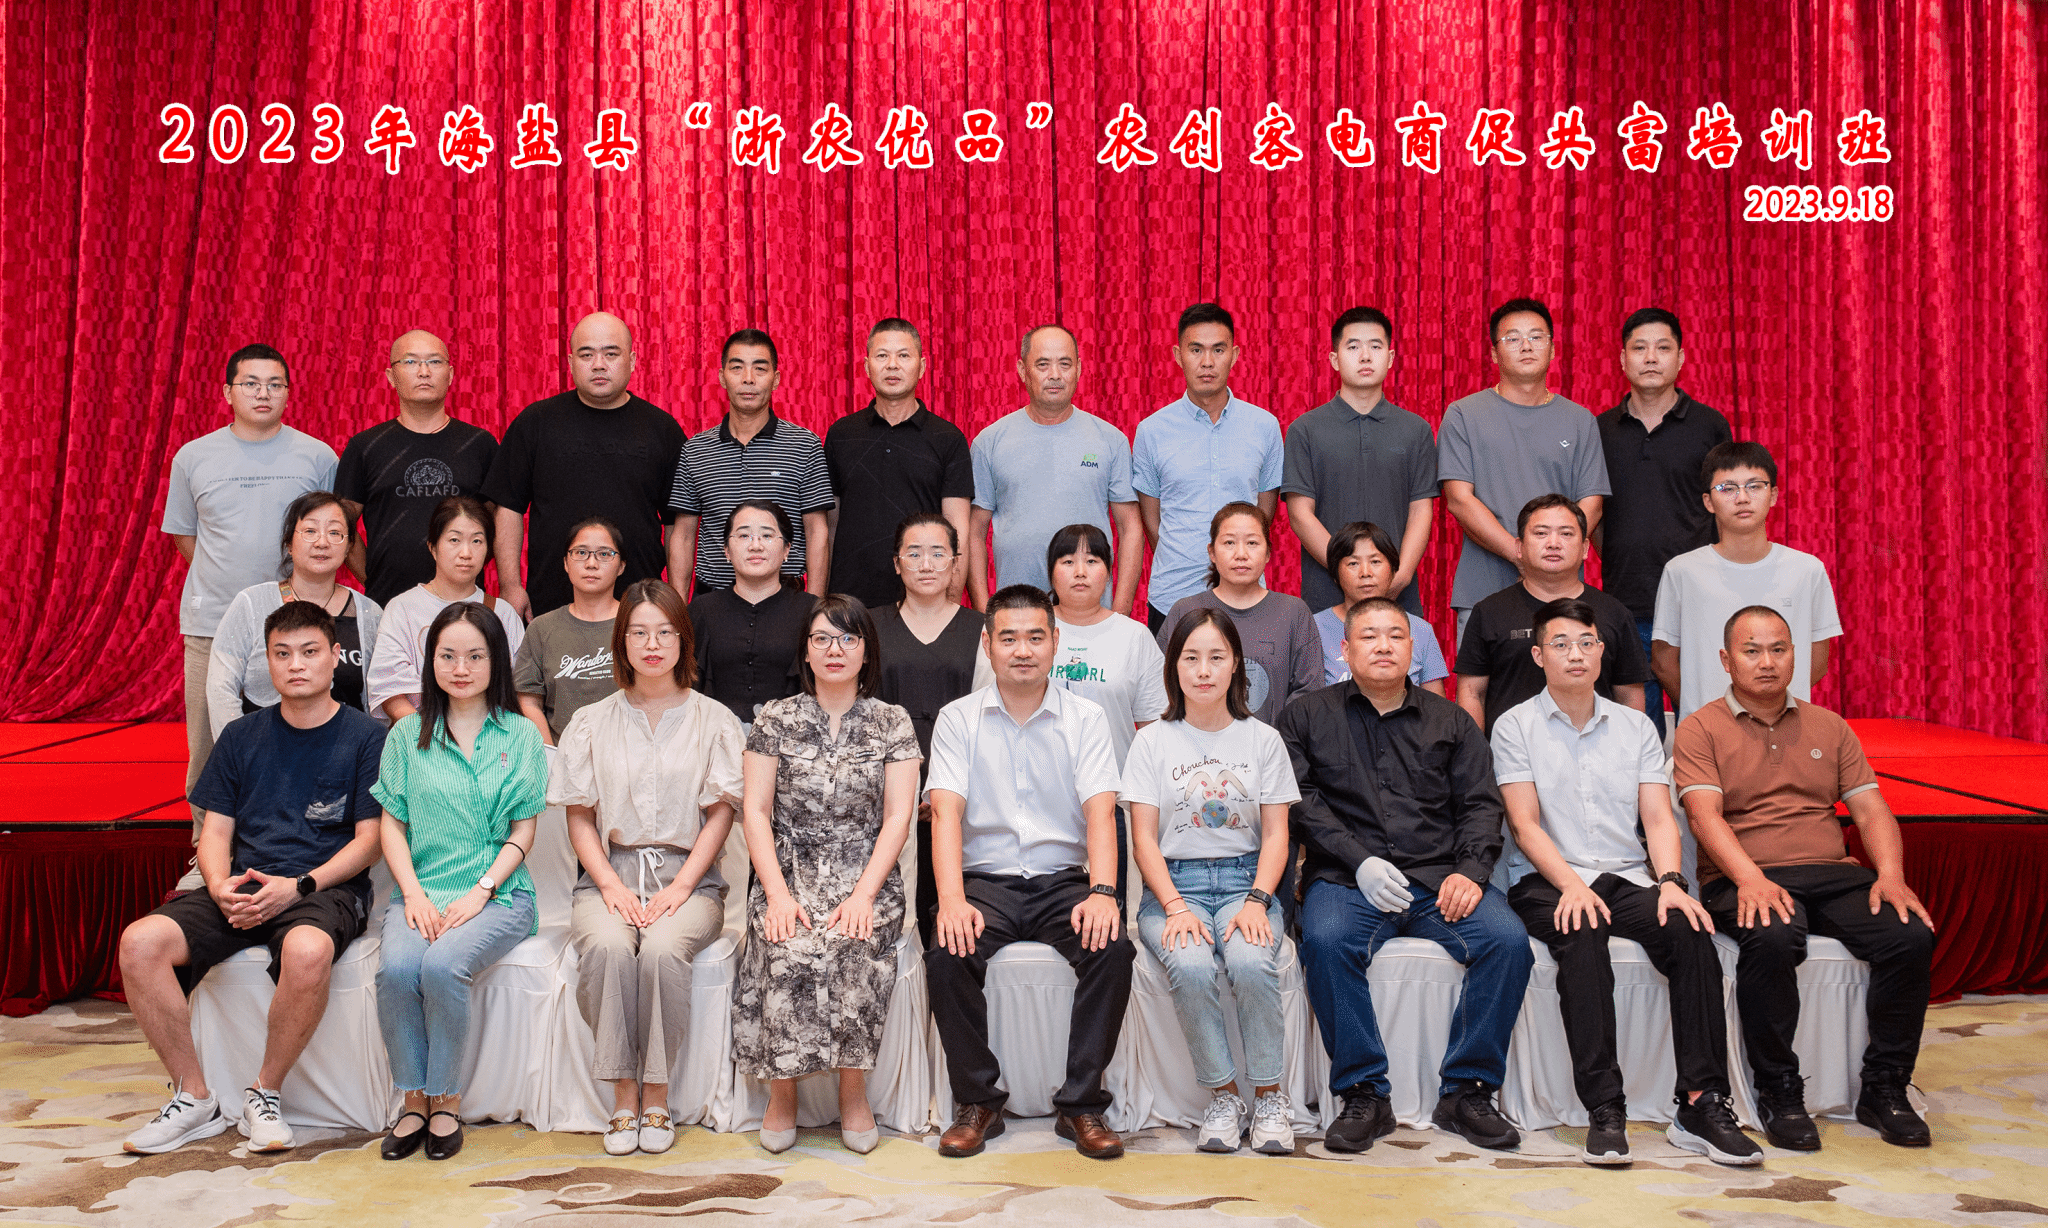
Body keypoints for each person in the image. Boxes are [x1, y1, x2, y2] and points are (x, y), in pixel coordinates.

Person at [1494, 598, 1761, 1168]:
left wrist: (1671, 882)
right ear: (1539, 656)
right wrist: (1571, 885)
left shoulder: (1636, 726)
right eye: (1561, 644)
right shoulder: (1514, 726)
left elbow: (1659, 819)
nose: (1575, 654)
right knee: (1582, 930)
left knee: (1689, 930)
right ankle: (1604, 1107)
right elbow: (1524, 824)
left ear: (1602, 651)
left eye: (1586, 643)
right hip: (1546, 878)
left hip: (1625, 874)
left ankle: (1701, 1103)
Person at [116, 601, 384, 1155]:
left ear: (336, 656)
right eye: (282, 654)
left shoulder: (366, 737)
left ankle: (264, 1092)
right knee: (139, 943)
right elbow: (216, 832)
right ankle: (194, 1097)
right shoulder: (241, 735)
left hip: (322, 888)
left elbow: (370, 842)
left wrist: (299, 886)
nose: (296, 665)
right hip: (243, 886)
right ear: (267, 661)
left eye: (309, 652)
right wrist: (218, 885)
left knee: (307, 951)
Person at [1276, 597, 1531, 1154]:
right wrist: (1357, 859)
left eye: (1396, 635)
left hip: (1439, 879)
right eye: (1369, 636)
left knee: (1508, 942)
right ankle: (1364, 1093)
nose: (1383, 646)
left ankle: (1467, 1091)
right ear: (1344, 650)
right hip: (1348, 879)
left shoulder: (1452, 720)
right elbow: (1299, 802)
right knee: (1326, 940)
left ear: (1414, 649)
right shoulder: (1306, 716)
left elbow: (1480, 806)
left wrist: (1471, 872)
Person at [1677, 606, 1936, 1152]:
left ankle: (1885, 1086)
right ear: (1726, 660)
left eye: (1778, 649)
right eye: (1752, 651)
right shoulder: (1701, 727)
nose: (1767, 662)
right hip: (1745, 875)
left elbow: (1870, 808)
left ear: (1795, 655)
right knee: (1773, 934)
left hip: (1830, 873)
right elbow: (1703, 815)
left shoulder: (1829, 726)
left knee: (1908, 934)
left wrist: (1891, 875)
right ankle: (1779, 1090)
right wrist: (1749, 877)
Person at [924, 586, 1134, 1160]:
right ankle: (978, 1102)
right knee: (945, 952)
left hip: (1062, 881)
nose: (1023, 650)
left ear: (1055, 643)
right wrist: (951, 899)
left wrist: (1103, 892)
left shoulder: (1086, 719)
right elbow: (945, 813)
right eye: (1010, 638)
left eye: (1036, 637)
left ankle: (1082, 1105)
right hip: (984, 883)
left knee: (1113, 948)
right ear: (987, 644)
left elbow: (1101, 812)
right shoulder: (958, 719)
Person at [550, 580, 744, 1157]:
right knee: (608, 946)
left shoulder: (714, 720)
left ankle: (656, 1096)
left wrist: (682, 886)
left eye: (664, 632)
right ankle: (623, 1097)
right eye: (639, 633)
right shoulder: (591, 721)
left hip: (691, 880)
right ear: (622, 641)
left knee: (661, 949)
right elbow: (580, 815)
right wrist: (609, 883)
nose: (652, 644)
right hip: (608, 875)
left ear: (684, 640)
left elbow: (721, 813)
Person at [735, 596, 922, 1154]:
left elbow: (898, 816)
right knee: (787, 945)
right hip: (788, 872)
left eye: (848, 638)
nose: (834, 650)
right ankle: (783, 1093)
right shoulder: (774, 718)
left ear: (867, 651)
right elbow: (755, 812)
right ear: (806, 651)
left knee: (851, 944)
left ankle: (853, 1092)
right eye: (821, 638)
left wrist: (863, 895)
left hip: (867, 875)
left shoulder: (892, 721)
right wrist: (776, 895)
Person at [372, 603, 544, 1162]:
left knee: (443, 965)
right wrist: (414, 894)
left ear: (497, 662)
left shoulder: (520, 734)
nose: (461, 668)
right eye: (447, 656)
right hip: (422, 889)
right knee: (398, 969)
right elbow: (392, 824)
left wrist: (481, 891)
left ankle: (445, 1099)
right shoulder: (406, 735)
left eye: (475, 656)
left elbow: (524, 831)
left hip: (501, 893)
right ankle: (413, 1100)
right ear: (431, 662)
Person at [1127, 609, 1299, 1155]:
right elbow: (1143, 840)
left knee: (1250, 960)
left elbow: (1276, 836)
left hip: (1246, 880)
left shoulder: (1263, 739)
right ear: (1173, 668)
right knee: (1192, 964)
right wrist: (1175, 907)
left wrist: (1258, 900)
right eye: (1191, 658)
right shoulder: (1152, 742)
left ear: (1236, 666)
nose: (1203, 670)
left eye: (1216, 657)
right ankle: (1224, 1097)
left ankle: (1270, 1097)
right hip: (1174, 887)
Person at [164, 343, 339, 838]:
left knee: (297, 737)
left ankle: (294, 840)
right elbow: (185, 536)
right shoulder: (192, 457)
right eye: (251, 384)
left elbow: (327, 531)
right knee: (209, 745)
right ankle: (206, 846)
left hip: (295, 624)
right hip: (211, 622)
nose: (263, 394)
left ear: (288, 392)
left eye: (275, 384)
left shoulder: (318, 456)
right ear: (227, 392)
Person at [483, 312, 685, 619]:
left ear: (632, 361)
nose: (599, 364)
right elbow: (508, 508)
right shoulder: (535, 423)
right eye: (586, 354)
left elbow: (677, 523)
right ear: (570, 362)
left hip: (639, 607)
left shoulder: (662, 430)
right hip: (551, 604)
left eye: (611, 354)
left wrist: (676, 595)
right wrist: (511, 585)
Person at [1439, 298, 1609, 645]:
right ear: (1493, 353)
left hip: (1562, 592)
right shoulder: (1463, 415)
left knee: (1567, 678)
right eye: (1513, 338)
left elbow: (1591, 503)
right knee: (1481, 681)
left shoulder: (1581, 420)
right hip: (1483, 589)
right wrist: (1522, 554)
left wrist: (1548, 556)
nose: (1526, 346)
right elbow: (1459, 500)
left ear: (1553, 349)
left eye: (1536, 337)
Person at [1594, 308, 1732, 737]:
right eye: (1639, 348)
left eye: (1663, 348)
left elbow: (1728, 508)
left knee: (1706, 720)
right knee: (1639, 731)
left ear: (1681, 357)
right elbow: (1591, 514)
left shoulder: (1709, 426)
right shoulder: (1600, 430)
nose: (1651, 357)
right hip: (1627, 599)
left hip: (1698, 600)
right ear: (1623, 359)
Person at [867, 512, 994, 943]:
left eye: (938, 554)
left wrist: (943, 792)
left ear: (956, 563)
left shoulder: (982, 630)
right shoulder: (869, 626)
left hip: (962, 791)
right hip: (882, 789)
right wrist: (900, 793)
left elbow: (989, 719)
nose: (926, 565)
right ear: (896, 563)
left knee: (949, 921)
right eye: (914, 554)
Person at [1652, 441, 1842, 726]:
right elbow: (1664, 662)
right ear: (1708, 501)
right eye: (1727, 488)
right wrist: (1705, 714)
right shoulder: (1681, 572)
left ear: (1773, 495)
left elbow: (1816, 663)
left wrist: (1766, 707)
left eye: (1754, 486)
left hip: (1785, 731)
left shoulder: (1807, 570)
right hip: (1708, 732)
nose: (1742, 498)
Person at [1132, 304, 1285, 631]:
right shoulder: (1151, 431)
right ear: (1178, 355)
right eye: (1196, 350)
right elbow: (1151, 521)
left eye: (1218, 349)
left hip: (1244, 597)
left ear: (1235, 354)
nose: (1207, 362)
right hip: (1172, 596)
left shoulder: (1264, 426)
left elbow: (1264, 514)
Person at [969, 325, 1142, 612]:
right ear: (1022, 370)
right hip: (1015, 611)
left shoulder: (1110, 440)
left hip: (1091, 613)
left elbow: (1130, 528)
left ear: (1079, 369)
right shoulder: (989, 442)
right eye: (1042, 364)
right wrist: (983, 611)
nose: (1055, 375)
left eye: (1065, 364)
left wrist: (1120, 613)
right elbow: (974, 532)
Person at [1282, 307, 1437, 618]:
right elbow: (1300, 515)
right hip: (1327, 595)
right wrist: (1347, 571)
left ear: (1390, 358)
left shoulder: (1416, 430)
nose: (1365, 356)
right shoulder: (1305, 429)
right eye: (1353, 347)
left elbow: (1421, 510)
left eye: (1375, 346)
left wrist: (1401, 574)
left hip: (1397, 593)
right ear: (1334, 359)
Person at [1455, 495, 1649, 735]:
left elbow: (1629, 696)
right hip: (1510, 753)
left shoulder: (1615, 613)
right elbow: (1472, 693)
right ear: (1519, 547)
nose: (1553, 543)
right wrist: (1475, 754)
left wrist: (1631, 748)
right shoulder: (1489, 612)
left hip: (1597, 752)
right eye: (1541, 533)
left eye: (1566, 534)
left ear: (1585, 548)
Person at [1048, 522, 1168, 908]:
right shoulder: (1030, 630)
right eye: (1068, 561)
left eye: (1092, 561)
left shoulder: (1134, 637)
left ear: (1109, 572)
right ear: (1051, 572)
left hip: (1111, 799)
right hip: (1039, 796)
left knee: (1107, 915)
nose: (1080, 572)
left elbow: (1154, 730)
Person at [335, 330, 499, 607]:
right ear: (391, 376)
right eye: (410, 362)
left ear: (450, 374)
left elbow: (499, 524)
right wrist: (374, 579)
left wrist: (463, 572)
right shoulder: (365, 446)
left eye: (435, 362)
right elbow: (341, 525)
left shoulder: (480, 445)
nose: (424, 371)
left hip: (464, 605)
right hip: (387, 603)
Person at [668, 329, 836, 596]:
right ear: (722, 377)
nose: (748, 378)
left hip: (786, 601)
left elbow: (817, 531)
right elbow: (683, 535)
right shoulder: (695, 450)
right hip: (713, 600)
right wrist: (677, 609)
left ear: (775, 379)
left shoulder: (805, 446)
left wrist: (815, 607)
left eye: (760, 368)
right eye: (737, 368)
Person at [823, 319, 974, 607]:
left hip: (923, 603)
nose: (892, 365)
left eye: (904, 355)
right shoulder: (841, 434)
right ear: (867, 366)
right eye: (882, 356)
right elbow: (829, 528)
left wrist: (949, 607)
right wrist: (824, 602)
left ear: (922, 366)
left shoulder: (948, 439)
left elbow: (958, 536)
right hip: (850, 604)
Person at [208, 492, 384, 735]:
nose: (322, 542)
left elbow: (380, 700)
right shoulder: (251, 603)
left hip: (348, 749)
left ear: (348, 547)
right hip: (265, 746)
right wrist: (240, 747)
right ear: (289, 544)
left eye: (335, 533)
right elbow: (220, 687)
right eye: (310, 531)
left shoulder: (369, 612)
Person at [1154, 503, 1321, 727]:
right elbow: (1160, 686)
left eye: (1252, 543)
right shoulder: (1185, 611)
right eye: (1229, 543)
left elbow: (1309, 692)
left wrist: (1273, 740)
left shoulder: (1293, 612)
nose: (1241, 554)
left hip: (1273, 744)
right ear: (1212, 552)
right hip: (1196, 743)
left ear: (1268, 552)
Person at [366, 497, 526, 722]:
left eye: (477, 541)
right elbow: (390, 690)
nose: (466, 553)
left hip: (489, 734)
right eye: (454, 540)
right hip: (419, 734)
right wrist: (427, 735)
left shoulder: (503, 613)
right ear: (433, 547)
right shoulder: (402, 608)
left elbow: (518, 687)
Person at [687, 500, 812, 725]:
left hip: (796, 738)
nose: (756, 546)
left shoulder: (812, 611)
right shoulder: (701, 610)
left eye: (767, 536)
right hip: (714, 736)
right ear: (726, 550)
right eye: (744, 536)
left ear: (786, 549)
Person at [514, 518, 626, 744]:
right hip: (560, 757)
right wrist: (552, 755)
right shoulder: (542, 628)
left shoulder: (637, 624)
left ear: (621, 566)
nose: (591, 563)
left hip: (629, 757)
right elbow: (528, 701)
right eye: (581, 553)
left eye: (604, 554)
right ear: (566, 563)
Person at [1311, 521, 1448, 694]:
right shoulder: (1313, 628)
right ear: (1335, 574)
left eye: (1375, 561)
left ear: (1393, 570)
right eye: (1353, 563)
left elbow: (1435, 705)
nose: (1365, 573)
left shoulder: (1421, 630)